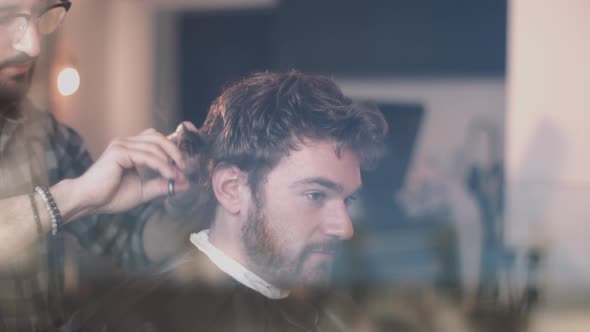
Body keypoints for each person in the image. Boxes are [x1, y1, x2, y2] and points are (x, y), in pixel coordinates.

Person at [78, 71, 388, 332]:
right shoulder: (142, 320)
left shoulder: (322, 309)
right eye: (315, 195)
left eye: (347, 199)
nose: (345, 228)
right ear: (231, 189)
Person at [0, 0, 199, 330]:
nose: (33, 45)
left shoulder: (52, 140)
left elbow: (131, 245)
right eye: (6, 17)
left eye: (39, 16)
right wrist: (71, 197)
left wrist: (181, 201)